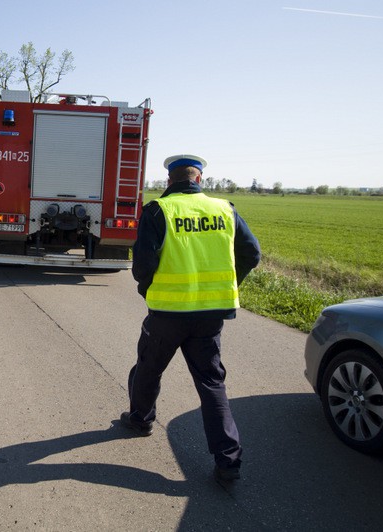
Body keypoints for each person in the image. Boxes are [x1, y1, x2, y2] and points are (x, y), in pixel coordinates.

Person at [122, 154, 261, 483]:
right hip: (209, 317)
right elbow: (252, 253)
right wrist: (228, 285)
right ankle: (228, 460)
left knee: (148, 367)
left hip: (168, 314)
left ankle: (141, 419)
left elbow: (142, 264)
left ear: (170, 181)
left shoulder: (159, 210)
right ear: (199, 180)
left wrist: (148, 289)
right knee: (212, 384)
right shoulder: (224, 209)